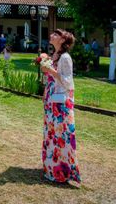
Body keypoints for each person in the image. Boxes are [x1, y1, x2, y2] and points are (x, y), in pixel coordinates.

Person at [40, 29, 81, 186]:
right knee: (51, 133)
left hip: (62, 102)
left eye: (56, 35)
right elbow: (51, 78)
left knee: (61, 135)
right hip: (52, 98)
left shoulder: (65, 57)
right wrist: (46, 87)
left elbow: (68, 82)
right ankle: (51, 168)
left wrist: (51, 71)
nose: (52, 35)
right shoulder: (54, 55)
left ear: (63, 41)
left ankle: (63, 171)